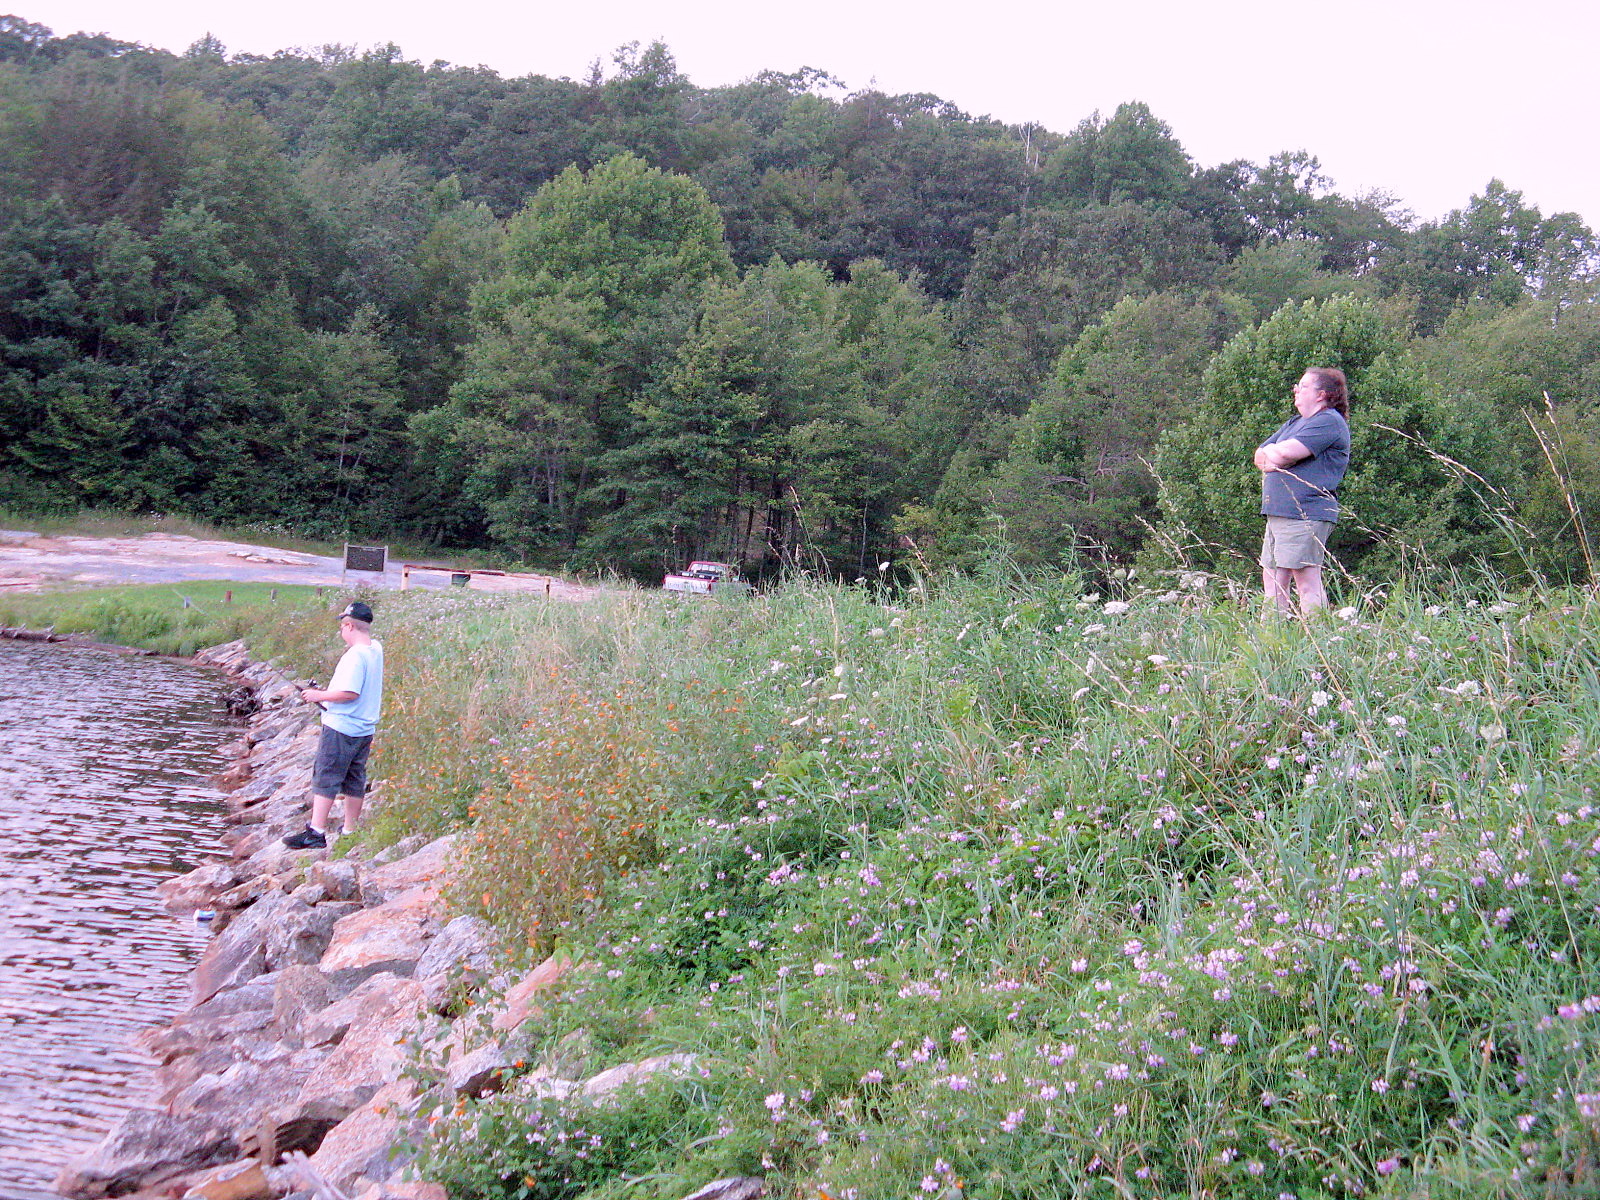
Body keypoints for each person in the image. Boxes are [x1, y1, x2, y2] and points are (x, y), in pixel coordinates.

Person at [283, 601, 384, 850]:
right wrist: (325, 694)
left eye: (343, 626)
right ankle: (350, 831)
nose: (341, 632)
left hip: (342, 728)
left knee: (326, 777)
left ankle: (315, 833)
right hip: (364, 729)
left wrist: (318, 696)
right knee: (354, 779)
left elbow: (350, 692)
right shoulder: (376, 649)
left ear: (349, 625)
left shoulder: (354, 656)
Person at [1253, 367, 1351, 615]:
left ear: (1322, 394)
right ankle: (1273, 642)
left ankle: (1317, 641)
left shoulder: (1329, 421)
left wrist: (1278, 457)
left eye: (1304, 386)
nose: (1296, 390)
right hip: (1279, 512)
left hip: (1305, 513)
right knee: (1273, 583)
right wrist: (1276, 457)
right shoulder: (1295, 423)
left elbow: (1284, 453)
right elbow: (1260, 456)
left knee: (1306, 582)